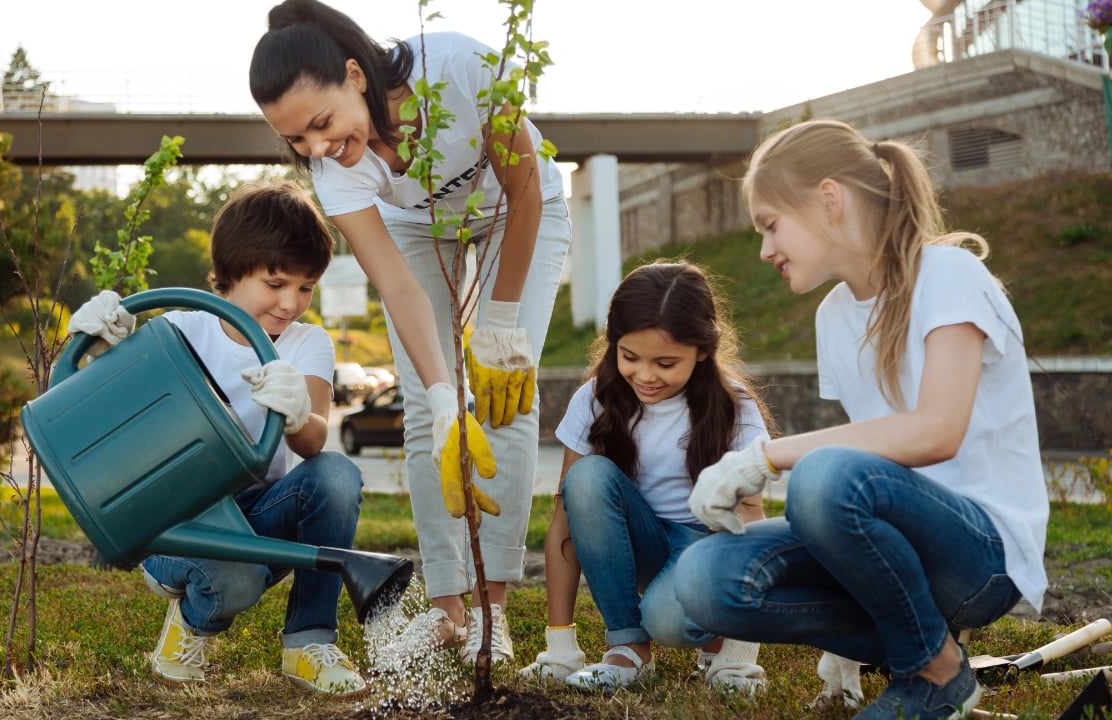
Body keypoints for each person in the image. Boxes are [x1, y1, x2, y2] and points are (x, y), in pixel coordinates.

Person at [644, 119, 1049, 720]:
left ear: (829, 200)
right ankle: (920, 651)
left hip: (982, 555)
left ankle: (935, 674)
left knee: (824, 476)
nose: (765, 249)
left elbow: (936, 431)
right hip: (900, 546)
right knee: (704, 578)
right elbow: (870, 462)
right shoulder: (834, 317)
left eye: (770, 224)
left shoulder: (949, 277)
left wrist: (764, 458)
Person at [249, 0, 571, 666]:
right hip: (416, 231)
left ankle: (493, 609)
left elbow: (526, 192)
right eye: (296, 140)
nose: (316, 148)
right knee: (430, 408)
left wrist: (500, 328)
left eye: (320, 124)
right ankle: (450, 610)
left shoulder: (461, 67)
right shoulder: (334, 168)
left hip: (517, 210)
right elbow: (398, 288)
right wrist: (448, 395)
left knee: (509, 393)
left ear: (355, 76)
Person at [67, 182, 368, 697]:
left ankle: (308, 642)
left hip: (256, 514)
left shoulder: (307, 342)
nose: (291, 303)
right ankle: (191, 621)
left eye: (305, 287)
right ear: (231, 273)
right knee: (236, 580)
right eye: (275, 283)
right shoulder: (182, 330)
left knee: (337, 476)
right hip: (179, 521)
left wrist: (297, 412)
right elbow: (109, 415)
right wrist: (102, 346)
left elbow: (315, 439)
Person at [519, 260, 773, 692]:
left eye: (666, 362)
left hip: (709, 551)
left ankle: (716, 641)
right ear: (612, 342)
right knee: (585, 479)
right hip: (642, 544)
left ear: (704, 350)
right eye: (629, 357)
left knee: (666, 619)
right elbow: (565, 518)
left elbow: (751, 524)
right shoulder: (595, 399)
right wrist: (559, 646)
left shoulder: (736, 407)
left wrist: (741, 656)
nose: (645, 375)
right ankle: (628, 648)